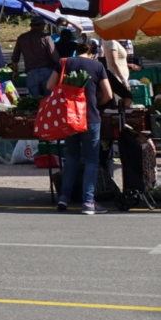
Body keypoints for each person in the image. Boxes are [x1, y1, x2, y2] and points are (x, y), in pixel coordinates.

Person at [55, 40, 115, 216]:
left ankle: (63, 198)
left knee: (71, 157)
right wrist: (97, 102)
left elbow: (50, 85)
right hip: (90, 117)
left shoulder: (64, 63)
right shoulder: (97, 66)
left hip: (69, 117)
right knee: (91, 160)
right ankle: (88, 202)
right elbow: (108, 94)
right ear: (93, 53)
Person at [13, 17, 60, 103]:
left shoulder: (22, 38)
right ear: (42, 26)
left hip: (31, 73)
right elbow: (54, 55)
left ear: (31, 25)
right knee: (48, 100)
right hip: (47, 72)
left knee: (34, 102)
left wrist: (15, 71)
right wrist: (60, 67)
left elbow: (15, 56)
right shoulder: (46, 37)